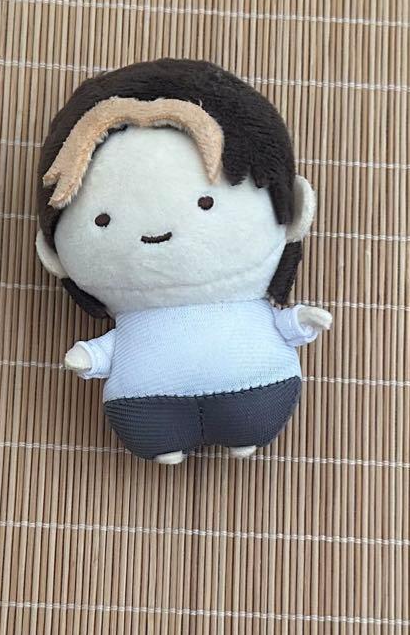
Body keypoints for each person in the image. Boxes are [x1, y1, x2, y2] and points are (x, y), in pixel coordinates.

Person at [35, 58, 332, 464]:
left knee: (248, 420)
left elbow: (285, 324)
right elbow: (109, 350)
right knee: (158, 428)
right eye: (103, 220)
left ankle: (240, 436)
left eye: (205, 202)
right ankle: (174, 443)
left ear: (295, 209)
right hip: (148, 405)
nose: (155, 230)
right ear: (52, 253)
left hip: (253, 391)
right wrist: (91, 357)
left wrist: (300, 321)